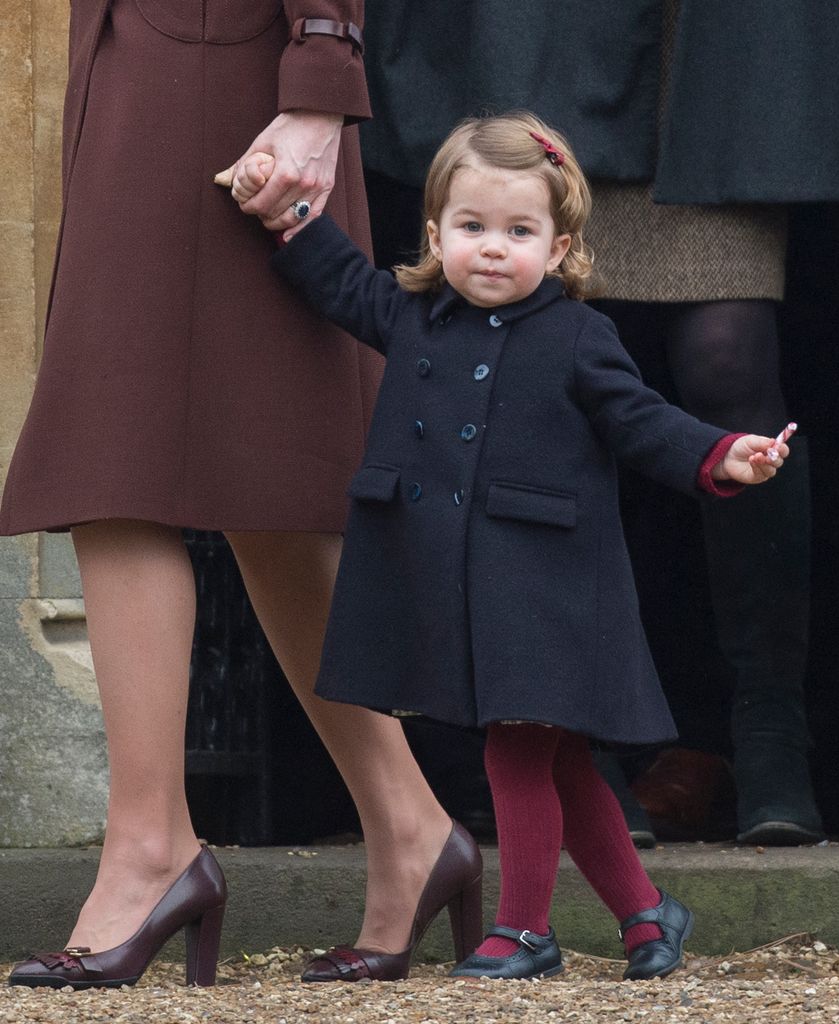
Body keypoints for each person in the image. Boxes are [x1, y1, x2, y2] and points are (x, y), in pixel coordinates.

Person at [227, 112, 794, 981]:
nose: (492, 249)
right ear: (435, 233)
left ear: (560, 247)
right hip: (456, 583)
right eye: (472, 228)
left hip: (546, 586)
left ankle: (524, 926)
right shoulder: (414, 314)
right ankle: (646, 912)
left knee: (518, 751)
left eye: (518, 232)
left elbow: (642, 423)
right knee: (560, 757)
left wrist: (722, 452)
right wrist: (288, 216)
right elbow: (340, 283)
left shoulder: (578, 336)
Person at [4, 0, 482, 991]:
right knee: (242, 483)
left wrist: (318, 65)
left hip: (229, 70)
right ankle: (406, 826)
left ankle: (149, 849)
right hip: (139, 59)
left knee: (122, 462)